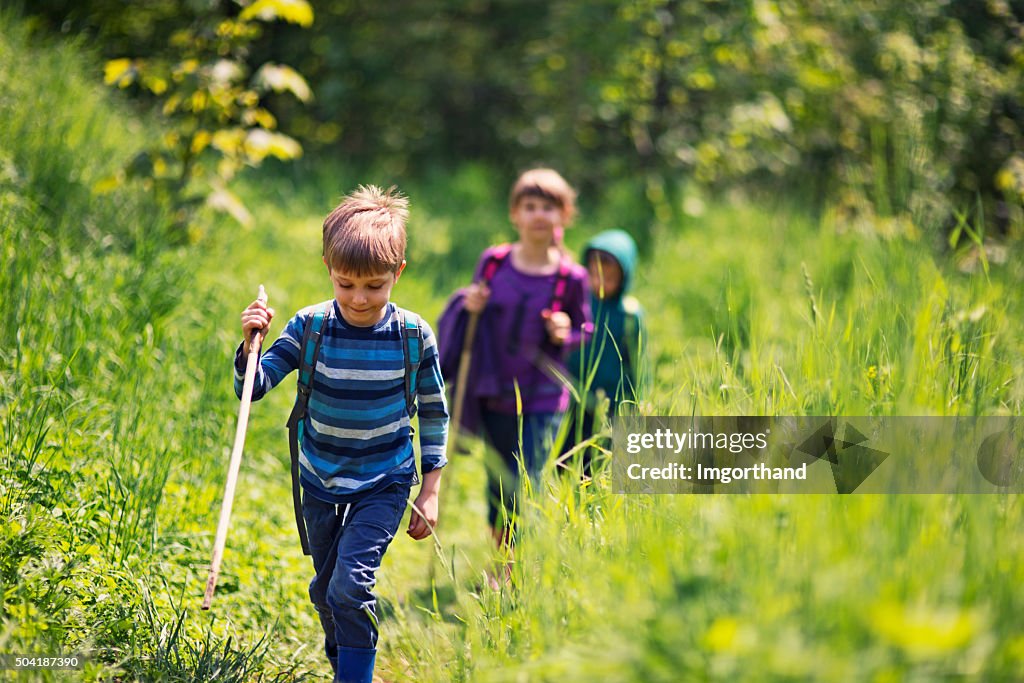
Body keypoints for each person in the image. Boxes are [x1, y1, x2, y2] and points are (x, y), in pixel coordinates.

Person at [235, 185, 448, 683]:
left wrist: (431, 489)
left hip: (385, 478)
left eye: (374, 285)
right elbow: (257, 386)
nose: (359, 298)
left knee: (350, 586)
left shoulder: (413, 335)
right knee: (326, 590)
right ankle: (345, 663)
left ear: (398, 273)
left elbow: (436, 412)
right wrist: (250, 348)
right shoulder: (310, 326)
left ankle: (355, 677)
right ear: (328, 267)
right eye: (346, 283)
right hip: (319, 477)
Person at [442, 168, 590, 579]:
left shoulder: (571, 278)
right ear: (515, 214)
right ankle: (502, 561)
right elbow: (472, 314)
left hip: (543, 394)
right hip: (494, 390)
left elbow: (585, 329)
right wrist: (470, 304)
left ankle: (520, 569)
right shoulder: (494, 263)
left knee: (529, 477)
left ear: (564, 215)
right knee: (498, 481)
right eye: (530, 206)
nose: (539, 215)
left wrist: (567, 331)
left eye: (548, 207)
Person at [563, 229, 646, 476]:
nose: (600, 283)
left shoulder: (629, 315)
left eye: (609, 279)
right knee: (564, 455)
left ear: (624, 279)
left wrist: (637, 399)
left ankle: (591, 503)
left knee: (600, 461)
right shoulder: (578, 303)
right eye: (594, 275)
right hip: (573, 393)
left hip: (611, 400)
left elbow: (639, 362)